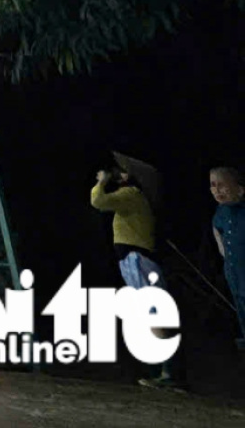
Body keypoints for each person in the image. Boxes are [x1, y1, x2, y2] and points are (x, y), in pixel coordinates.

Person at [92, 157, 177, 389]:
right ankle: (165, 370)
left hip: (136, 259)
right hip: (134, 259)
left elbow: (98, 201)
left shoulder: (130, 194)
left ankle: (169, 373)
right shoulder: (134, 197)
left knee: (153, 313)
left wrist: (100, 182)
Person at [209, 166, 245, 351]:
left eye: (222, 185)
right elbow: (220, 239)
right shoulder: (220, 213)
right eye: (213, 185)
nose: (217, 190)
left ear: (239, 188)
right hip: (233, 269)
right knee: (240, 304)